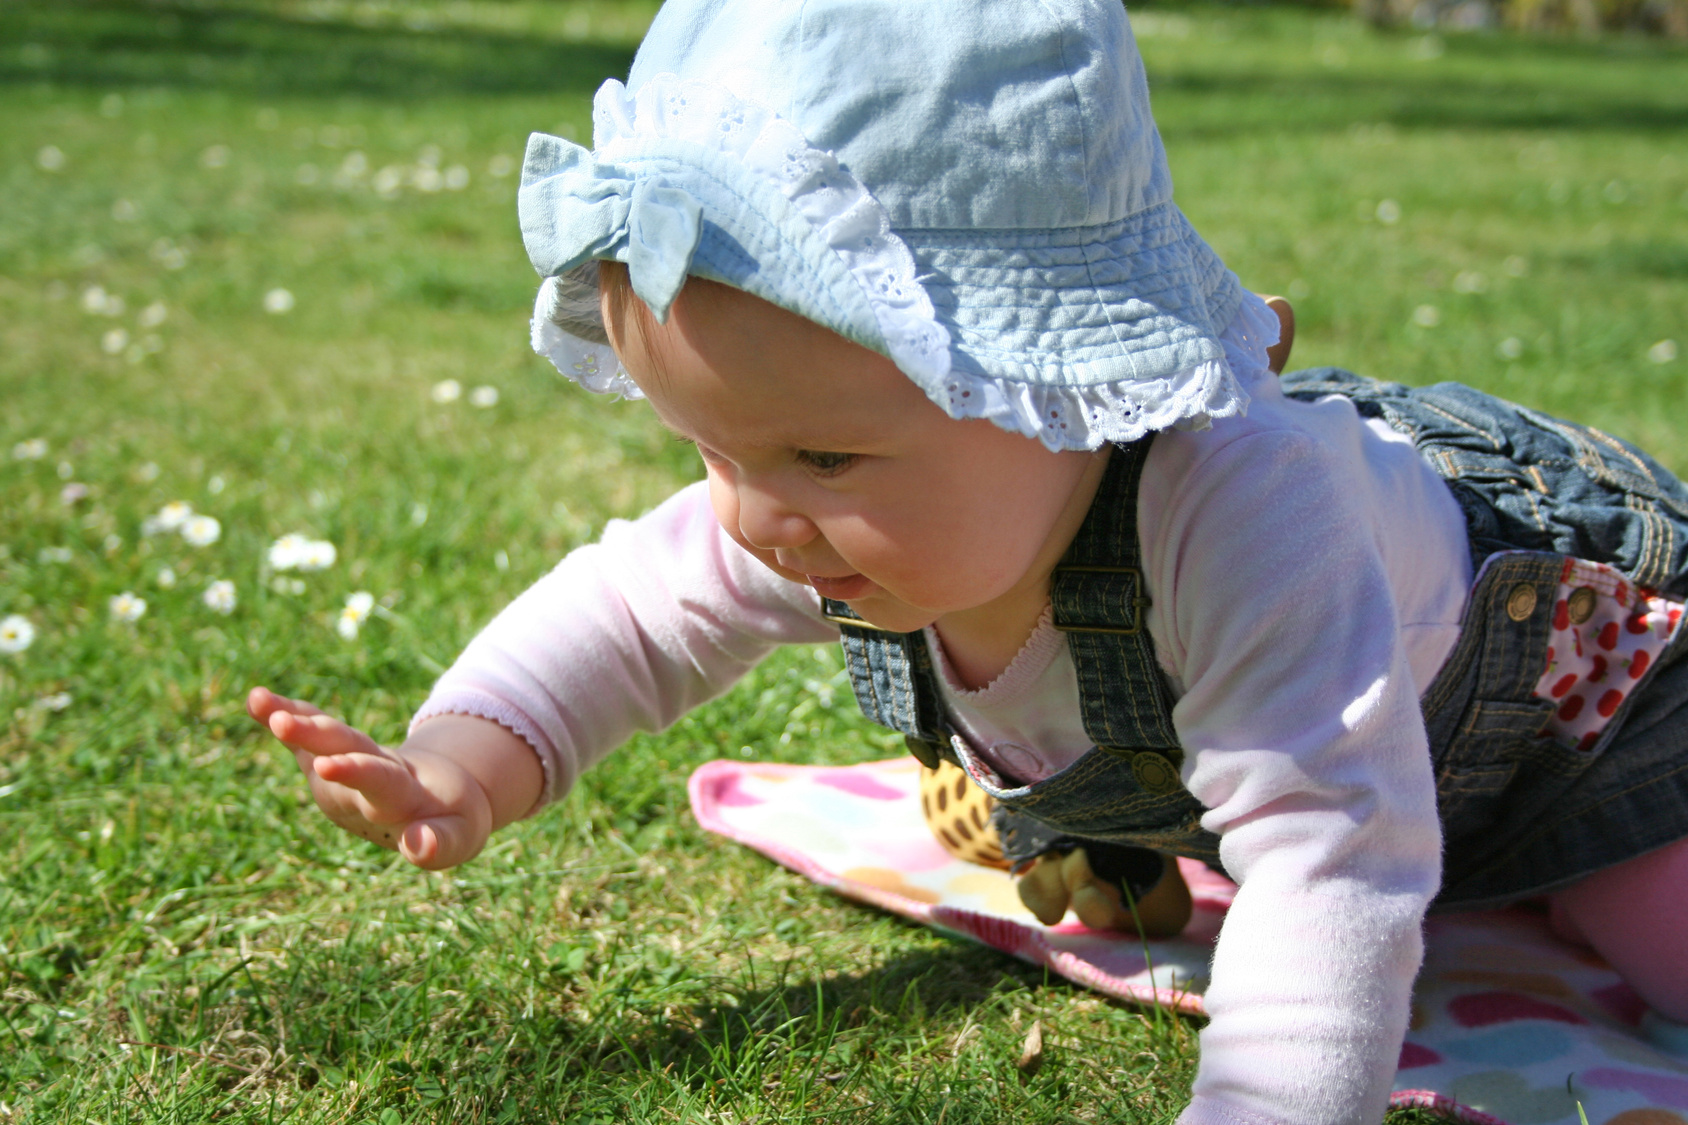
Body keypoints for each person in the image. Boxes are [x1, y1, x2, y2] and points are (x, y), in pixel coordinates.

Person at [247, 0, 1688, 1120]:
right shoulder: (821, 512)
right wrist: (465, 761)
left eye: (820, 459)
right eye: (713, 450)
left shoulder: (1244, 516)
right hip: (1360, 755)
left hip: (1591, 710)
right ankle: (1119, 824)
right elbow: (634, 607)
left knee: (1642, 929)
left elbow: (1329, 860)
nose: (756, 518)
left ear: (1047, 384)